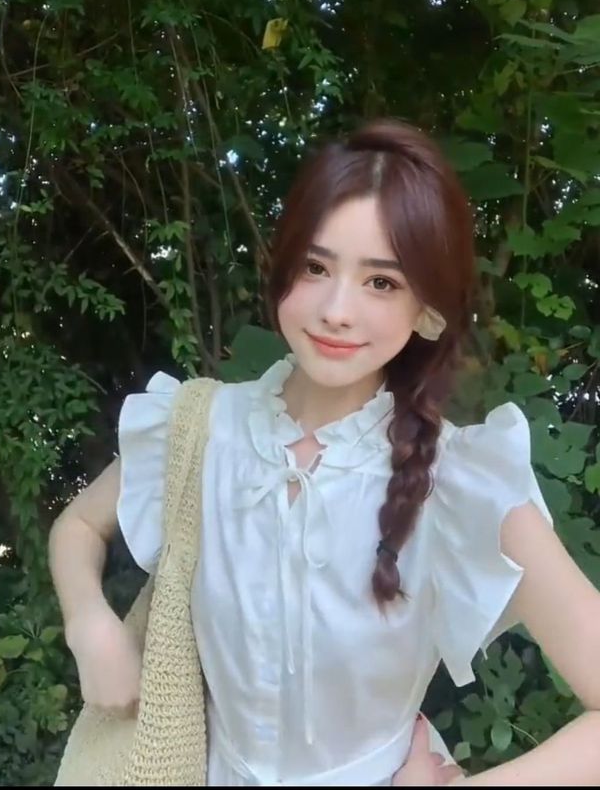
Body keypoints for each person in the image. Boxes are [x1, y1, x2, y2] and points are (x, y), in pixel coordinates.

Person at [49, 119, 600, 786]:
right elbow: (78, 526)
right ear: (281, 268)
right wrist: (89, 624)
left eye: (382, 282)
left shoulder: (461, 480)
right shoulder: (201, 427)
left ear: (427, 307)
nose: (337, 309)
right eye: (316, 267)